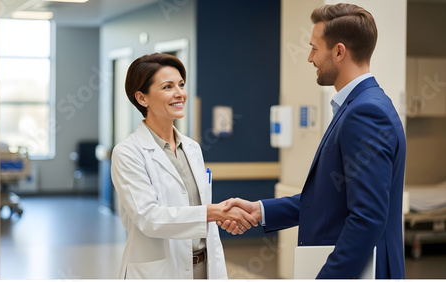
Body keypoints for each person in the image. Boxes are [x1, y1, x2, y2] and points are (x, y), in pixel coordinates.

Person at [220, 3, 406, 279]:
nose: (309, 58)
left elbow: (367, 219)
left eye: (314, 48)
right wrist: (260, 210)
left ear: (339, 51)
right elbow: (328, 197)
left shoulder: (366, 113)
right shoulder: (361, 105)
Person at [111, 53, 257, 279]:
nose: (179, 93)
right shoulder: (128, 152)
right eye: (168, 87)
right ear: (142, 98)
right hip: (160, 272)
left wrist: (220, 217)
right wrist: (213, 213)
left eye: (181, 84)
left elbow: (197, 207)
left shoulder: (192, 148)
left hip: (205, 267)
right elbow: (149, 218)